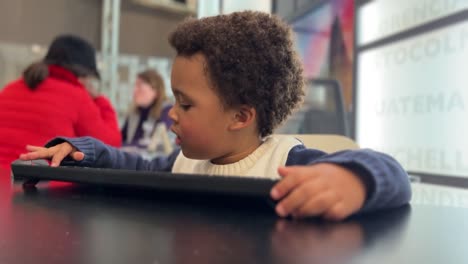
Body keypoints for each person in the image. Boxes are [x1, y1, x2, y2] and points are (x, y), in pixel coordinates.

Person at [19, 12, 411, 220]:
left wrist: (352, 179)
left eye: (185, 104)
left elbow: (390, 171)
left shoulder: (288, 163)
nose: (172, 113)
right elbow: (134, 167)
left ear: (240, 116)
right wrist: (83, 151)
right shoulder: (183, 160)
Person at [0, 34, 121, 168]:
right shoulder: (77, 97)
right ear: (82, 75)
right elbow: (109, 145)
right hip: (37, 182)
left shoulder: (10, 88)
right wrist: (99, 99)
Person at [120, 69, 173, 153]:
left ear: (155, 91)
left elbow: (156, 143)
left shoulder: (167, 111)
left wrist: (124, 147)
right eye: (135, 86)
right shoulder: (135, 112)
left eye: (139, 86)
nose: (134, 91)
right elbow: (121, 138)